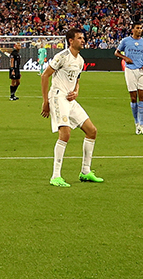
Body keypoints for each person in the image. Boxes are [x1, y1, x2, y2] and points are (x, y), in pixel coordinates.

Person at [41, 29, 102, 186]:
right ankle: (55, 176)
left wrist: (76, 91)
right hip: (57, 96)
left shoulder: (80, 60)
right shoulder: (61, 57)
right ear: (70, 41)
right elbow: (45, 75)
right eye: (79, 38)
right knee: (65, 134)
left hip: (69, 99)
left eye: (83, 38)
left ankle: (86, 171)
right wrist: (45, 101)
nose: (83, 40)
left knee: (92, 131)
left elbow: (77, 80)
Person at [118, 23, 143, 135]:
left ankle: (142, 124)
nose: (139, 30)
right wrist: (125, 58)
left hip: (142, 70)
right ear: (132, 30)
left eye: (141, 28)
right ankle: (136, 123)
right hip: (130, 70)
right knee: (133, 98)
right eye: (137, 28)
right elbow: (116, 52)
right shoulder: (125, 41)